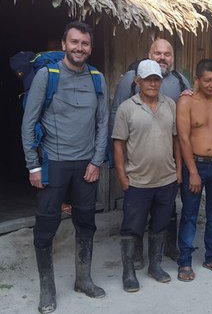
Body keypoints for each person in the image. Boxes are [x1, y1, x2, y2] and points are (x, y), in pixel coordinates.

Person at [21, 21, 108, 313]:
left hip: (86, 165)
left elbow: (103, 122)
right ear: (63, 45)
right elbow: (29, 123)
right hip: (53, 163)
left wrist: (97, 160)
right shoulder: (48, 76)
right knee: (46, 225)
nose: (79, 48)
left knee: (86, 222)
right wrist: (33, 166)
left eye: (84, 44)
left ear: (90, 48)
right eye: (74, 42)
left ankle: (83, 279)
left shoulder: (97, 78)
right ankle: (47, 290)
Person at [110, 39, 191, 266]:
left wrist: (180, 166)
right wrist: (119, 167)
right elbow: (118, 112)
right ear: (149, 54)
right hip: (138, 162)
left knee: (167, 212)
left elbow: (183, 125)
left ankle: (169, 248)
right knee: (136, 214)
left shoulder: (179, 80)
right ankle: (135, 255)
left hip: (166, 164)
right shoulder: (130, 79)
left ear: (172, 58)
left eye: (167, 54)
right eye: (158, 53)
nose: (162, 57)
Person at [176, 59, 212, 281]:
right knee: (190, 214)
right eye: (207, 80)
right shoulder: (186, 103)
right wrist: (192, 170)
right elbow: (183, 137)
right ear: (197, 79)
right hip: (196, 164)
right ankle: (185, 261)